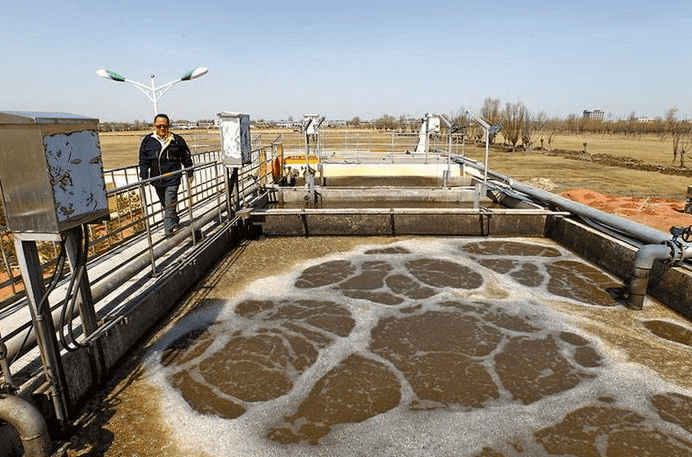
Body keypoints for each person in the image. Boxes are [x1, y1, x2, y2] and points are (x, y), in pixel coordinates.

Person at [139, 114, 194, 237]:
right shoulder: (148, 141)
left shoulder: (177, 140)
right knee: (166, 204)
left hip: (172, 179)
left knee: (169, 204)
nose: (162, 128)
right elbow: (143, 160)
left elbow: (186, 157)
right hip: (157, 180)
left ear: (169, 125)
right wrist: (143, 176)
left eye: (165, 126)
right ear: (155, 126)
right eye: (159, 126)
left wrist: (190, 172)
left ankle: (168, 233)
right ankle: (174, 221)